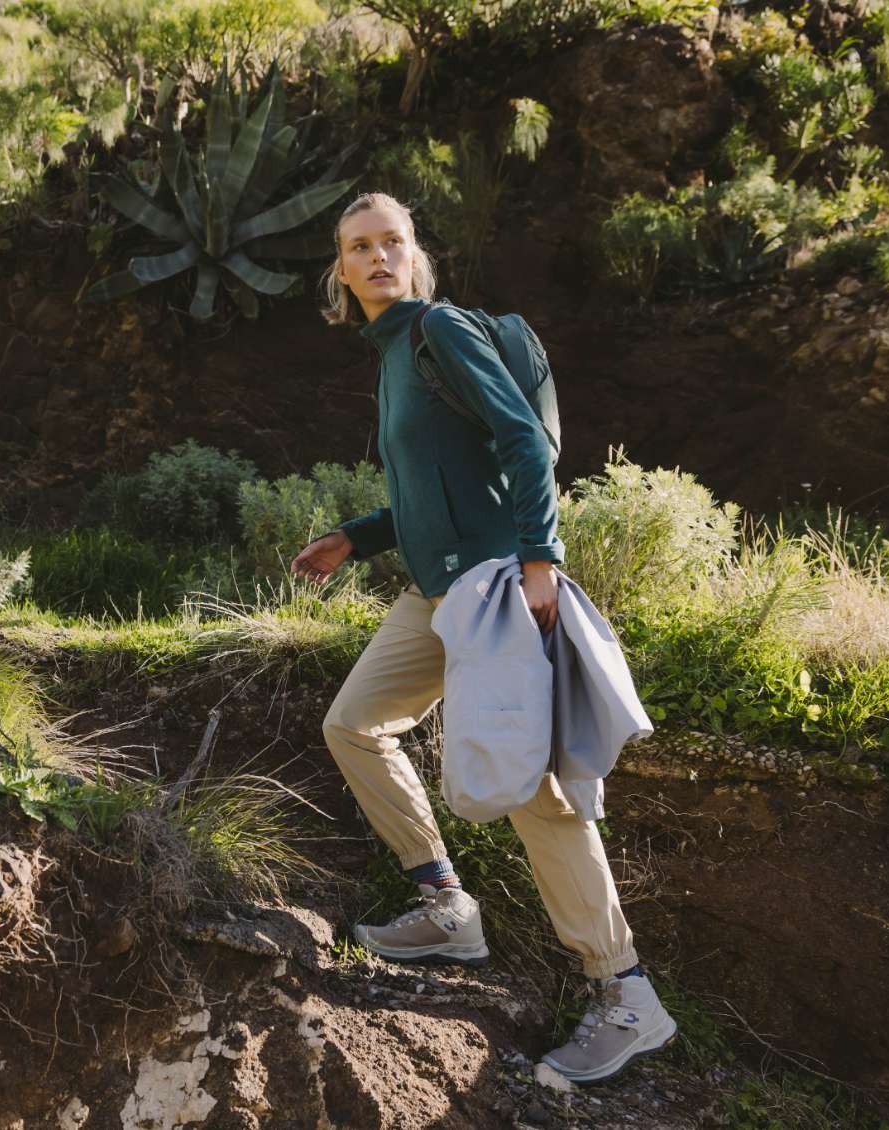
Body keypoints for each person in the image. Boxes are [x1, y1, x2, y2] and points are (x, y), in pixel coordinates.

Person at [287, 192, 675, 1085]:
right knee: (354, 723)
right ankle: (444, 904)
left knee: (539, 790)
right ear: (340, 271)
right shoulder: (391, 360)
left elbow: (522, 446)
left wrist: (540, 559)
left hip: (497, 589)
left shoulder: (442, 332)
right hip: (435, 596)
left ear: (415, 257)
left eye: (393, 242)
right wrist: (360, 534)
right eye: (359, 247)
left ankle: (626, 993)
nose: (378, 257)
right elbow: (436, 483)